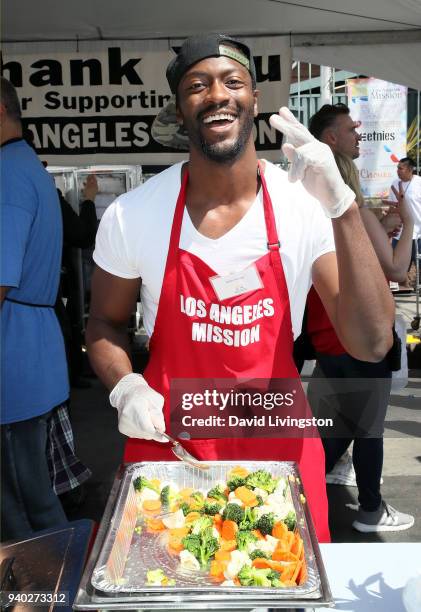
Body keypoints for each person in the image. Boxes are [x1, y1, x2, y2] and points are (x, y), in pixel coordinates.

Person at [86, 34, 394, 543]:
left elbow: (373, 341)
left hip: (278, 450)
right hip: (172, 451)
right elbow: (104, 324)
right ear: (180, 111)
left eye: (233, 82)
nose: (217, 95)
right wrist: (126, 386)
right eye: (196, 86)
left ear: (253, 99)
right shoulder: (133, 214)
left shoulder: (301, 205)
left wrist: (343, 207)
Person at [305, 103, 414, 532]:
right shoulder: (348, 208)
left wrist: (376, 227)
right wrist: (405, 225)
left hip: (324, 330)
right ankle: (370, 509)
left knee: (337, 422)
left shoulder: (307, 201)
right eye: (350, 129)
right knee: (368, 426)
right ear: (330, 138)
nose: (357, 135)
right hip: (362, 332)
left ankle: (311, 480)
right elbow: (395, 271)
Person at [0, 77, 69, 541]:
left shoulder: (7, 173)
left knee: (20, 506)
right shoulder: (22, 166)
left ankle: (51, 600)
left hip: (13, 357)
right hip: (28, 348)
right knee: (27, 500)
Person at [55, 175, 99, 388]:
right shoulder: (49, 197)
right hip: (53, 283)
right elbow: (82, 234)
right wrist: (89, 199)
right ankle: (68, 376)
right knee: (63, 325)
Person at [390, 157, 421, 288]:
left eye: (400, 168)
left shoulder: (419, 183)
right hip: (400, 234)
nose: (397, 171)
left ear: (410, 170)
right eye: (397, 168)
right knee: (400, 267)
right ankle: (404, 289)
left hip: (418, 233)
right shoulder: (394, 183)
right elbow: (393, 207)